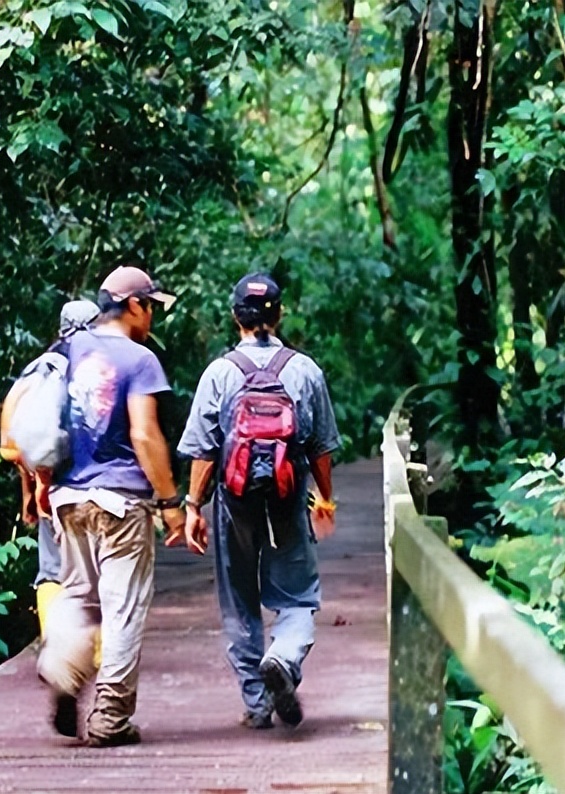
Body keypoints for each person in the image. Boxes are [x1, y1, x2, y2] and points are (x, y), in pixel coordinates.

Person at [175, 273, 340, 730]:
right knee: (299, 597)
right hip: (288, 500)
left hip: (235, 504)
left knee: (239, 601)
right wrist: (324, 499)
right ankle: (283, 659)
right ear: (279, 313)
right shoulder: (304, 369)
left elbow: (205, 451)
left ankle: (257, 703)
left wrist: (192, 507)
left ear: (235, 317)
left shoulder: (219, 373)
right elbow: (322, 449)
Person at [36, 265, 187, 748]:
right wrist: (170, 503)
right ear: (135, 306)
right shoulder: (139, 360)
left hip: (68, 495)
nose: (153, 320)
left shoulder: (67, 349)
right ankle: (111, 719)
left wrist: (42, 483)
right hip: (122, 500)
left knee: (78, 593)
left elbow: (32, 412)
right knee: (123, 607)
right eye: (152, 308)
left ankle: (61, 668)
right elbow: (144, 434)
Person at [0, 300, 101, 639]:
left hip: (45, 480)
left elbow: (19, 439)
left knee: (52, 571)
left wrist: (30, 492)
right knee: (98, 568)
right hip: (89, 483)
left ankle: (55, 642)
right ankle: (98, 653)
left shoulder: (35, 370)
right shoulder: (96, 365)